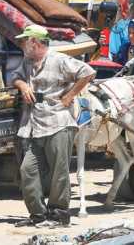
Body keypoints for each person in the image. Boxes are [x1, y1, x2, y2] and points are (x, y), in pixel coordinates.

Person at [12, 25, 96, 227]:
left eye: (25, 40)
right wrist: (22, 85)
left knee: (59, 171)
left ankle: (58, 215)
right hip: (35, 124)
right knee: (27, 170)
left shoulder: (58, 60)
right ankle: (38, 215)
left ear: (35, 42)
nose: (22, 44)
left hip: (58, 122)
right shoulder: (28, 62)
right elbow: (15, 76)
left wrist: (70, 96)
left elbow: (88, 72)